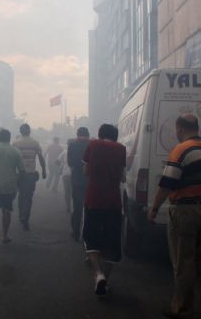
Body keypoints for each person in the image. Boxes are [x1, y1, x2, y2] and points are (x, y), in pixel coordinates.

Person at [147, 114, 201, 319]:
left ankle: (181, 308)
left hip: (187, 212)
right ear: (197, 127)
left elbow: (167, 184)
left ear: (179, 129)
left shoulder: (180, 150)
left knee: (183, 261)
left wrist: (153, 209)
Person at [82, 124, 126, 296]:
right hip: (113, 202)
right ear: (115, 136)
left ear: (100, 135)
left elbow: (86, 171)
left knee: (91, 238)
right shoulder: (121, 149)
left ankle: (98, 274)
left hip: (93, 199)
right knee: (112, 241)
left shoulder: (93, 145)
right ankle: (104, 281)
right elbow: (122, 175)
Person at [12, 123, 46, 231]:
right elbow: (40, 157)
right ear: (30, 131)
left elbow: (12, 160)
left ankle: (21, 215)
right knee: (28, 197)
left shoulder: (16, 143)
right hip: (31, 173)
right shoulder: (35, 143)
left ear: (20, 131)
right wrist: (44, 170)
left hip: (19, 174)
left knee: (21, 195)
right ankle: (25, 218)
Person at [67, 127, 90, 241]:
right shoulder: (92, 145)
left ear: (77, 134)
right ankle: (88, 232)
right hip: (90, 182)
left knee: (77, 207)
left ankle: (75, 232)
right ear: (88, 135)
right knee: (89, 208)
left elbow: (69, 163)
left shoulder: (72, 145)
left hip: (76, 180)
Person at [57, 140, 73, 213]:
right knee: (74, 191)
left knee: (67, 191)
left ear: (67, 144)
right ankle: (76, 206)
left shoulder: (64, 152)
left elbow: (57, 161)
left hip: (66, 174)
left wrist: (61, 166)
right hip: (75, 175)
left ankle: (68, 207)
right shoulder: (78, 152)